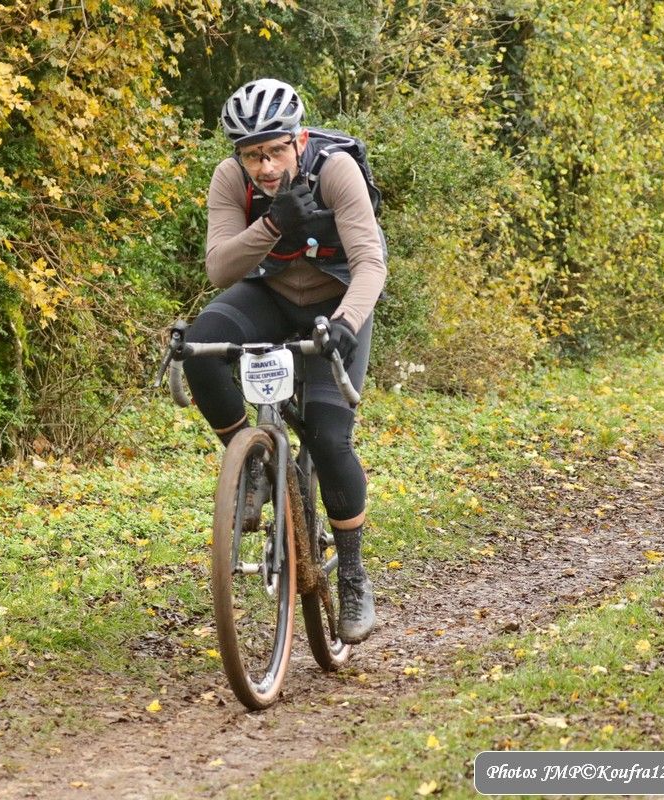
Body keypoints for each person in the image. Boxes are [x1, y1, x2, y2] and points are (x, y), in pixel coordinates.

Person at [181, 78, 387, 643]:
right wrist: (273, 224)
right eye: (253, 155)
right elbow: (220, 269)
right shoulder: (230, 180)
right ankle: (250, 461)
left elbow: (370, 263)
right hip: (270, 295)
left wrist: (346, 324)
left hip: (336, 301)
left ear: (298, 140)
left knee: (328, 434)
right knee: (201, 347)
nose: (266, 167)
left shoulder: (336, 171)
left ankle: (353, 574)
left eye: (275, 151)